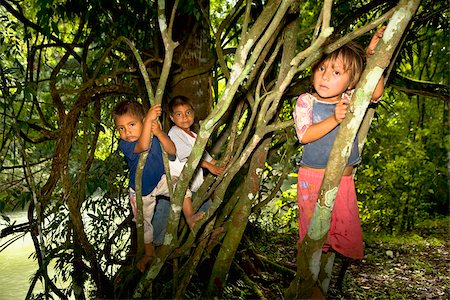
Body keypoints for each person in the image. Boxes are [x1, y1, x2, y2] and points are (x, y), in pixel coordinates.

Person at [293, 27, 385, 297]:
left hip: (343, 179)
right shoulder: (306, 101)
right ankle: (309, 290)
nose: (325, 77)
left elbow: (376, 93)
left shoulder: (350, 98)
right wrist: (334, 118)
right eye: (322, 69)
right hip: (312, 179)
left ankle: (320, 287)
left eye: (336, 73)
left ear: (350, 81)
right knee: (312, 237)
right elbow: (305, 135)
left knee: (337, 234)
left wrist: (372, 56)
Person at [113, 100, 204, 272]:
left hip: (160, 180)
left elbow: (171, 150)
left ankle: (190, 217)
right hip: (141, 191)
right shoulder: (126, 144)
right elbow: (143, 145)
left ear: (142, 122)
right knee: (143, 221)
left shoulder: (154, 134)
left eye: (131, 124)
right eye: (121, 128)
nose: (127, 131)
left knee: (180, 185)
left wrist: (160, 133)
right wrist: (148, 121)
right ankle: (149, 252)